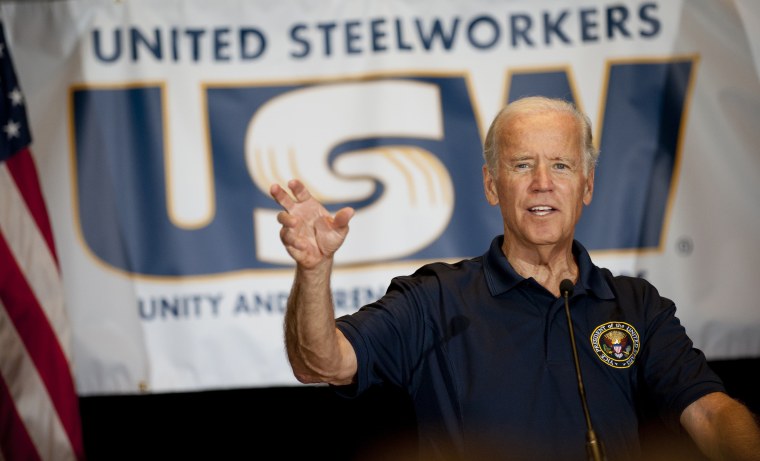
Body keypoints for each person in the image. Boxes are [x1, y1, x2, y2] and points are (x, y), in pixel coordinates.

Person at [269, 96, 760, 461]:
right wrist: (313, 271)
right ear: (490, 185)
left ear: (586, 186)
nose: (542, 182)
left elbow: (711, 412)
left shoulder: (635, 305)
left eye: (561, 165)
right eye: (522, 164)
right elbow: (321, 362)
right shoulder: (434, 299)